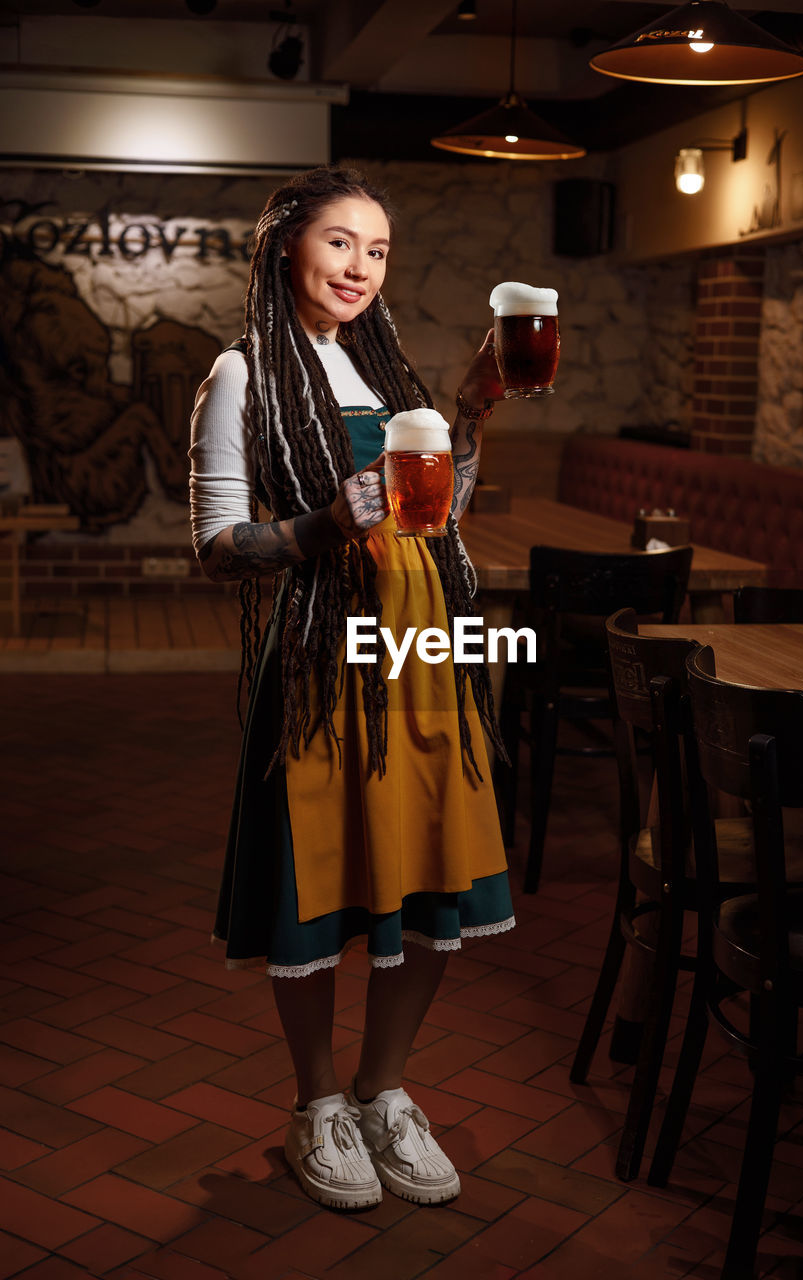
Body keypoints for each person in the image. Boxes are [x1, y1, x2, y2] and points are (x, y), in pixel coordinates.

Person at [189, 166, 514, 1212]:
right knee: (321, 875)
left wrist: (474, 408)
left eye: (377, 251)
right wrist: (323, 524)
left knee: (427, 867)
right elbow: (217, 545)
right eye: (341, 244)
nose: (360, 268)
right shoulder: (242, 373)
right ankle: (317, 1101)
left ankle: (385, 1090)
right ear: (287, 245)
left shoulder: (384, 369)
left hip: (422, 644)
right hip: (327, 650)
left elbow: (438, 512)